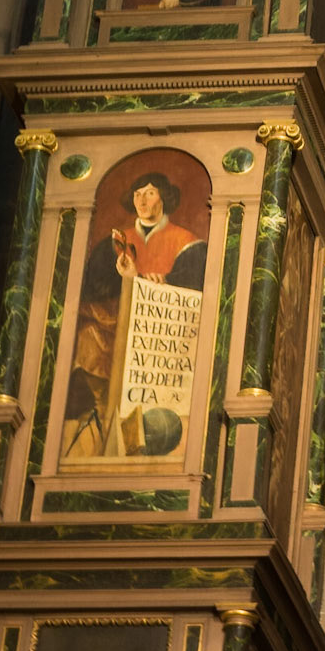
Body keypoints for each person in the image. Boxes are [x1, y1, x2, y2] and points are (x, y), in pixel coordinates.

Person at [65, 170, 206, 459]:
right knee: (86, 338)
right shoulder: (116, 242)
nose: (142, 200)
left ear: (163, 197)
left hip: (163, 328)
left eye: (150, 192)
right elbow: (96, 286)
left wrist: (164, 282)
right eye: (138, 194)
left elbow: (196, 288)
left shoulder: (186, 243)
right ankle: (105, 415)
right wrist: (129, 278)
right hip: (116, 320)